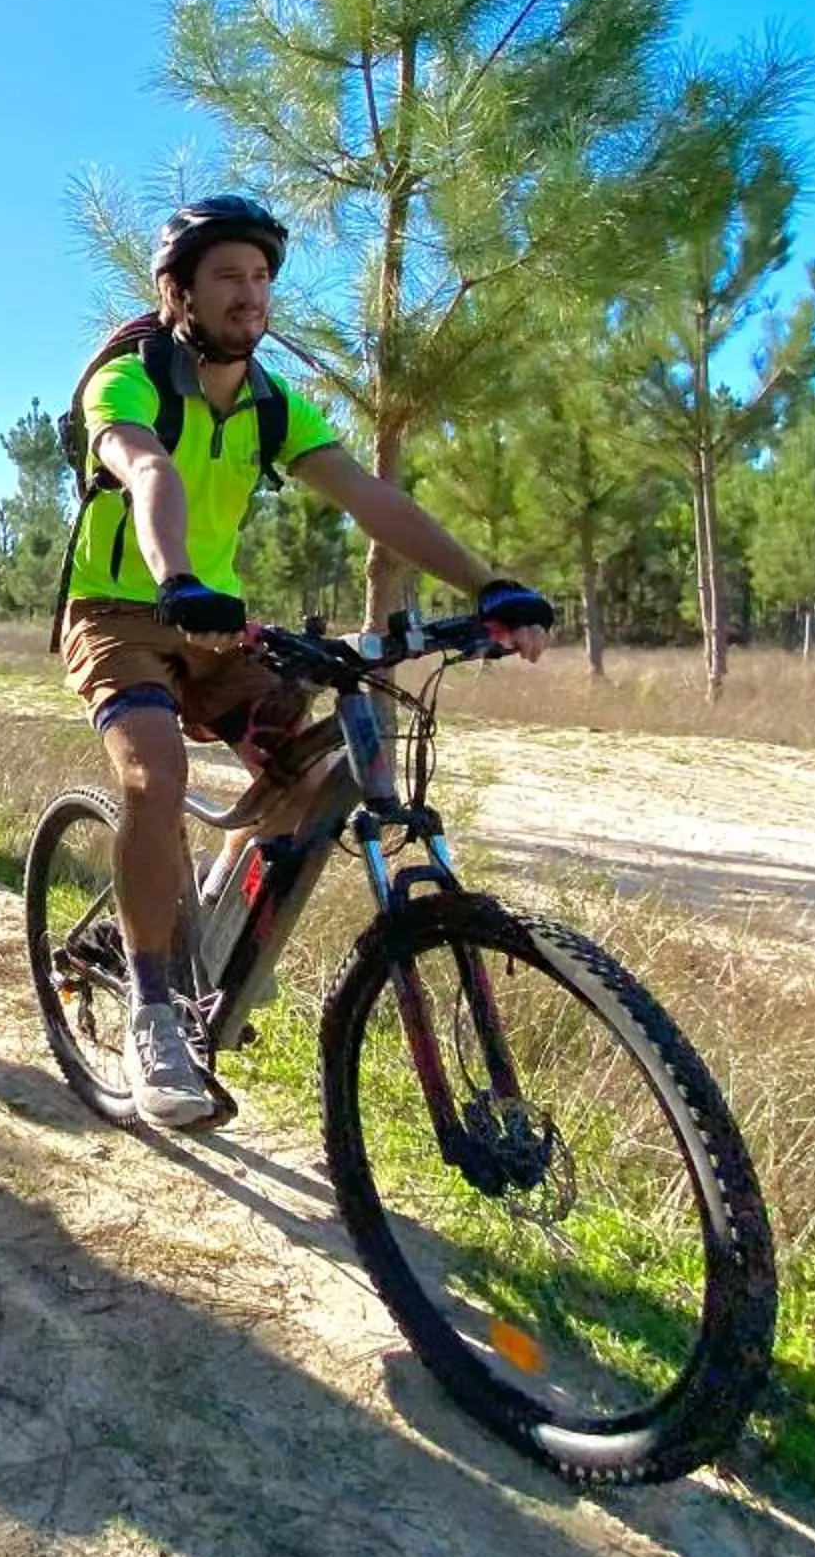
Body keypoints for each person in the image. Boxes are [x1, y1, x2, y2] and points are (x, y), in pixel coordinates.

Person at [59, 194, 555, 1128]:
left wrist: (490, 584)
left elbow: (369, 496)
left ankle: (205, 910)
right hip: (124, 614)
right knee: (153, 776)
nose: (251, 296)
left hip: (219, 626)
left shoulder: (270, 403)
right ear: (178, 294)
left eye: (261, 278)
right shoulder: (127, 382)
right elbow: (149, 472)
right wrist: (178, 577)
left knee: (321, 766)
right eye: (227, 279)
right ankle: (155, 1009)